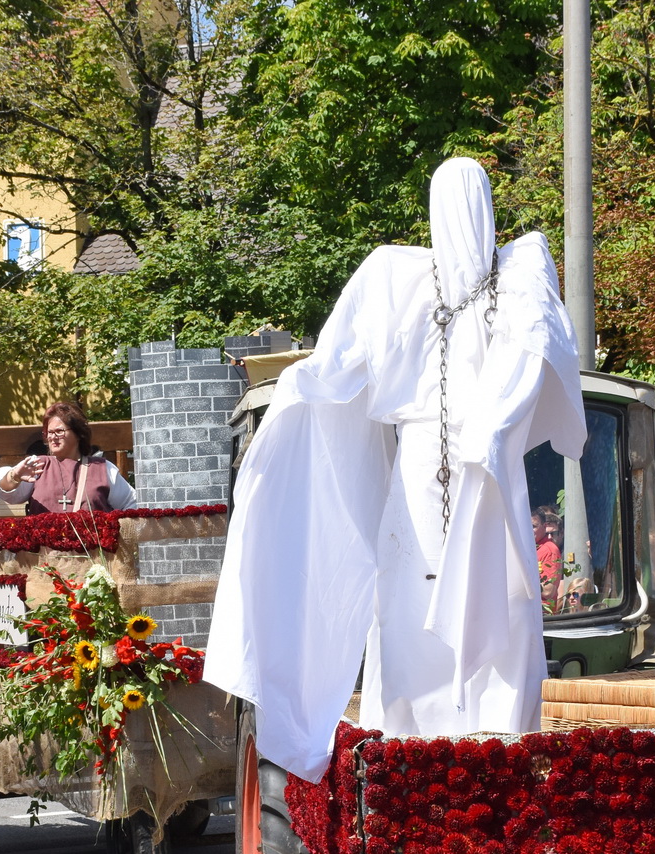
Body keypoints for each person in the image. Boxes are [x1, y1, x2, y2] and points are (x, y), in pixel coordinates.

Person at [208, 157, 585, 777]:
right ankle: (407, 762)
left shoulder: (521, 275)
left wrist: (490, 432)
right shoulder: (392, 277)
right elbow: (339, 360)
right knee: (409, 618)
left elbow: (534, 356)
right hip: (421, 474)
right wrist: (299, 385)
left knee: (502, 617)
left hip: (487, 471)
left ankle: (501, 757)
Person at [0, 401, 138, 513]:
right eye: (49, 432)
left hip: (92, 552)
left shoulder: (102, 469)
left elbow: (132, 503)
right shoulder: (38, 465)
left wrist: (114, 534)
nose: (52, 437)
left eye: (59, 431)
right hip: (44, 552)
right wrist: (14, 476)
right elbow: (8, 494)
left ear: (78, 433)